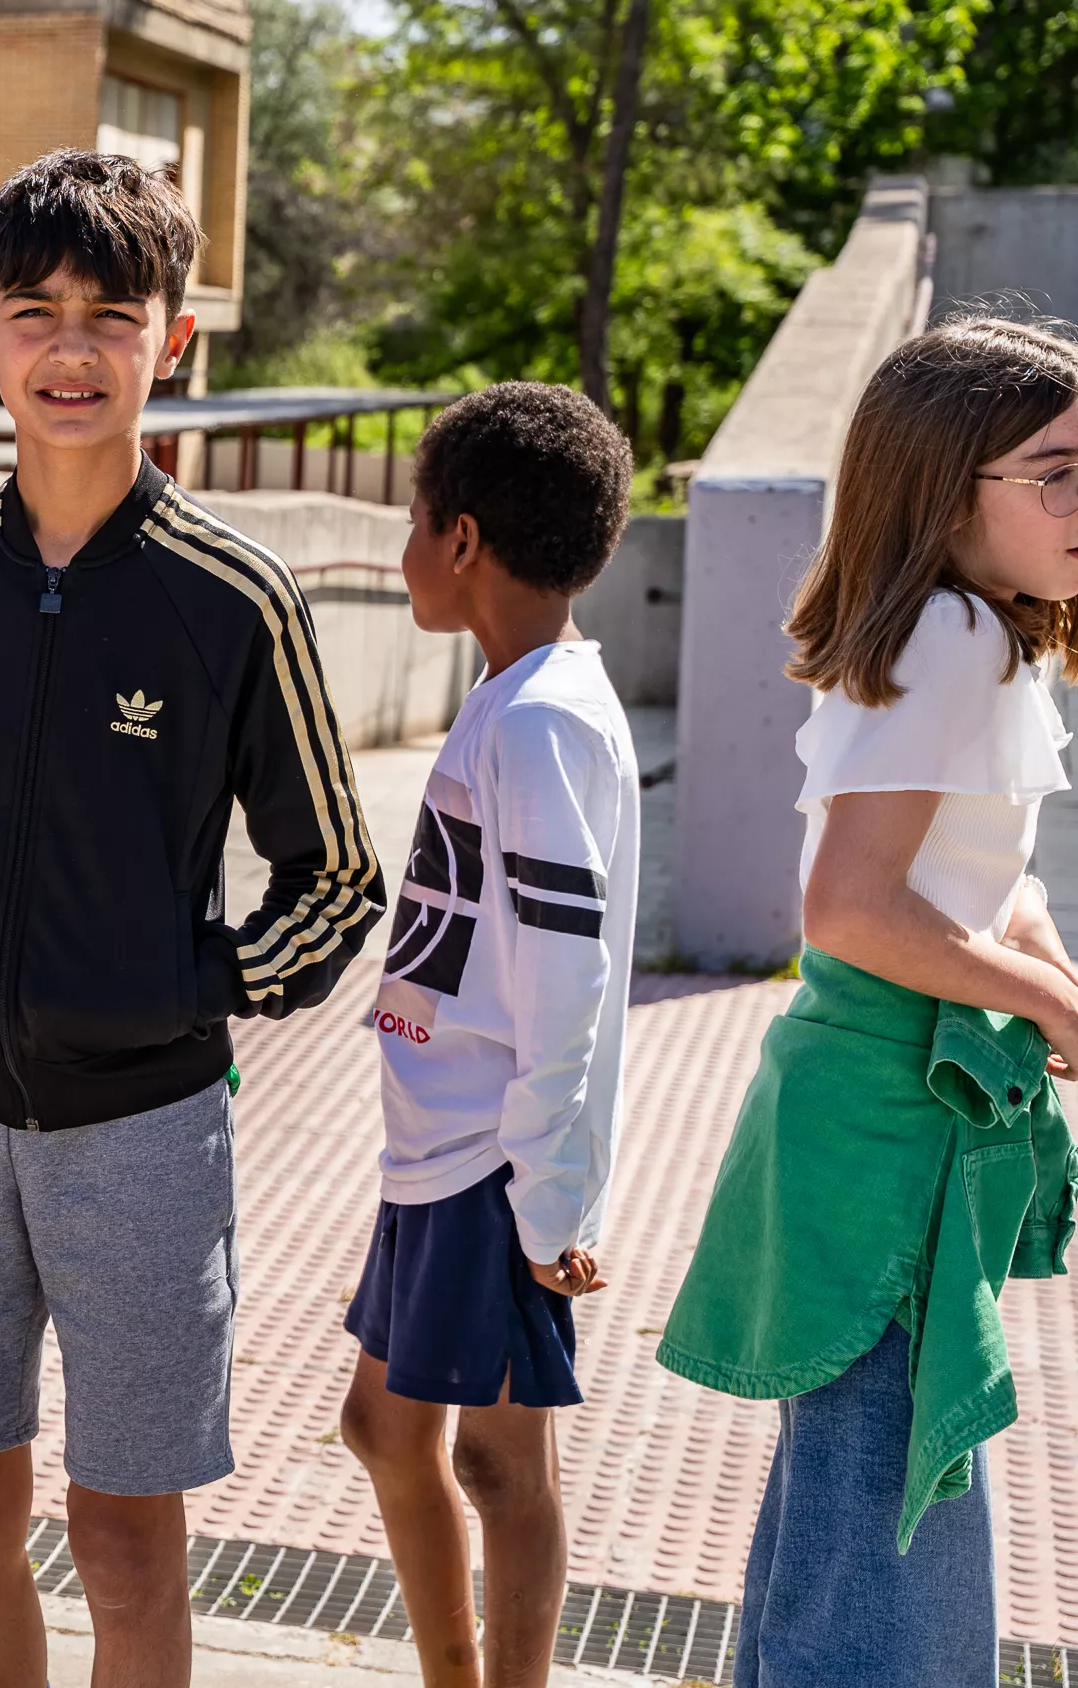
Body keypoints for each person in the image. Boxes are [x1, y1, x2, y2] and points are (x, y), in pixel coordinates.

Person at [0, 149, 384, 1688]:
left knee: (127, 1535)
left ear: (176, 335)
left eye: (111, 316)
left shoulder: (233, 596)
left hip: (144, 1123)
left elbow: (335, 880)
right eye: (36, 313)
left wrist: (180, 985)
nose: (73, 351)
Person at [659, 315, 1078, 1686]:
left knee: (854, 1510)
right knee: (885, 1530)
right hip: (881, 1121)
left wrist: (1047, 976)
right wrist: (1056, 1010)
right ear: (952, 491)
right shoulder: (956, 635)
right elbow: (848, 908)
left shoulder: (980, 634)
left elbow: (982, 876)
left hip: (887, 1116)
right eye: (1058, 472)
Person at [335, 382, 639, 1688]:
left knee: (497, 1461)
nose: (404, 544)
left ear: (459, 540)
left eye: (411, 517)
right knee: (384, 1430)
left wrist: (552, 1194)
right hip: (440, 1152)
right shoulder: (517, 697)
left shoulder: (544, 720)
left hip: (495, 1165)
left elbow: (569, 977)